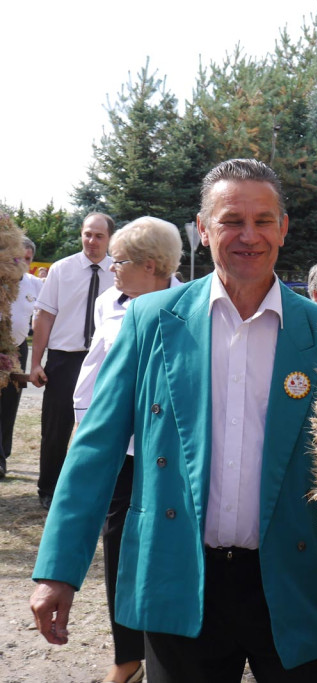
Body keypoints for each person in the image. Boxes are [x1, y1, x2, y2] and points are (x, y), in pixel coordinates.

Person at [30, 159, 317, 682]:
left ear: (284, 228)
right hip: (180, 582)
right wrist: (58, 571)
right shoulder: (149, 323)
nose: (248, 236)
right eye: (231, 220)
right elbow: (94, 454)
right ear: (203, 231)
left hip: (300, 583)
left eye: (263, 220)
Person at [72, 216, 183, 683]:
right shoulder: (107, 303)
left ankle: (173, 651)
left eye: (121, 261)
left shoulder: (187, 307)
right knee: (116, 548)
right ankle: (127, 657)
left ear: (152, 266)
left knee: (169, 553)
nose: (112, 268)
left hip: (168, 456)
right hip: (120, 452)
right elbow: (97, 369)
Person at [29, 212, 115, 508]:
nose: (92, 241)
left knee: (101, 427)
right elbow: (44, 316)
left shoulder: (120, 272)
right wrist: (36, 362)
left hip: (105, 359)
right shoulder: (61, 270)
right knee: (56, 427)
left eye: (99, 236)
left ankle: (94, 490)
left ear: (109, 239)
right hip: (64, 360)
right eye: (87, 234)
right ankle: (49, 489)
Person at [0, 236, 44, 478]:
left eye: (27, 259)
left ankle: (3, 456)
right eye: (19, 258)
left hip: (18, 350)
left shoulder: (35, 285)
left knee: (9, 404)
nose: (23, 264)